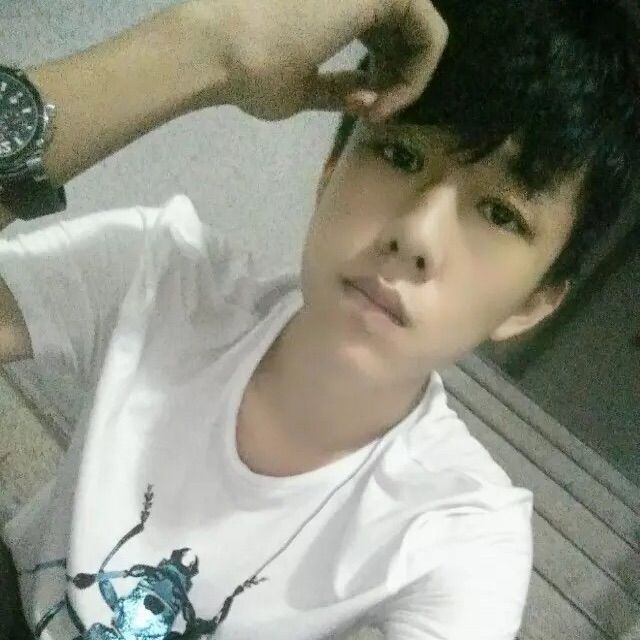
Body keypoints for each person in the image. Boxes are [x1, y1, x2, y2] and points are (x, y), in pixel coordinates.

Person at [0, 0, 637, 638]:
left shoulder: (459, 535)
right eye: (401, 155)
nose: (416, 235)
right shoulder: (161, 278)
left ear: (532, 301)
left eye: (500, 214)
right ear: (329, 173)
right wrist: (209, 46)